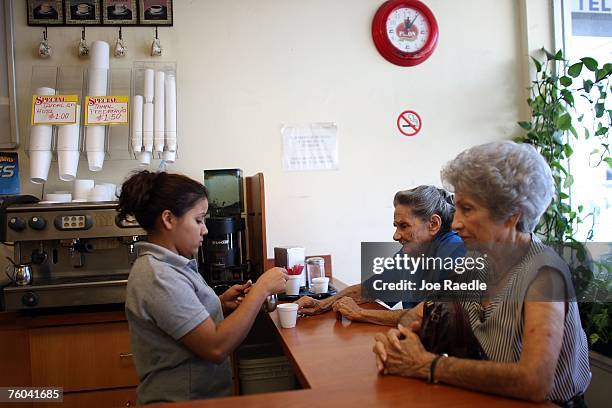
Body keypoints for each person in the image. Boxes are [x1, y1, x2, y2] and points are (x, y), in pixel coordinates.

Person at [373, 141, 591, 406]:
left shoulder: (544, 273)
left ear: (511, 215)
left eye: (468, 209)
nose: (455, 222)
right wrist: (400, 340)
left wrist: (427, 365)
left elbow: (533, 382)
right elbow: (418, 315)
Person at [119, 171, 288, 405]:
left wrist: (219, 304)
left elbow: (179, 318)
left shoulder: (175, 264)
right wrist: (261, 290)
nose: (205, 230)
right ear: (168, 219)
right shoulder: (158, 276)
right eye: (198, 220)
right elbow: (215, 347)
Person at [296, 185, 465, 326]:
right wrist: (322, 305)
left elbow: (426, 316)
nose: (396, 236)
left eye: (404, 226)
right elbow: (368, 290)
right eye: (396, 226)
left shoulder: (454, 251)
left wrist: (361, 313)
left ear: (433, 224)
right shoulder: (413, 252)